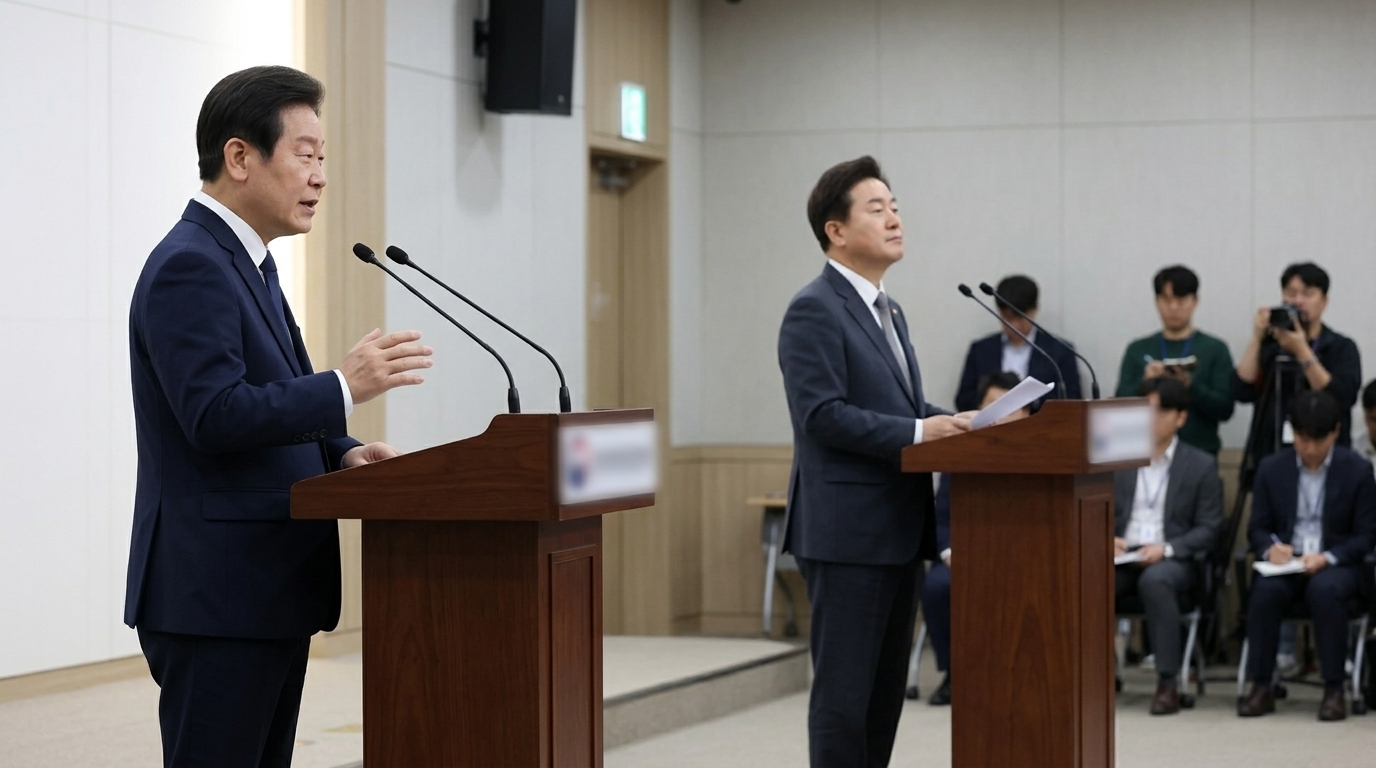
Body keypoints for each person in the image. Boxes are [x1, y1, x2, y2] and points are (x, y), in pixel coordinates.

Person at [125, 66, 434, 766]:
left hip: (259, 591)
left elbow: (273, 400)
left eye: (323, 157)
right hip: (218, 596)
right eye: (305, 154)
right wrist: (342, 385)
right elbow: (214, 414)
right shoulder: (191, 265)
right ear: (240, 157)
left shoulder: (249, 264)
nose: (320, 176)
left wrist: (342, 452)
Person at [778, 156, 971, 767]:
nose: (895, 218)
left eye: (896, 206)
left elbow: (903, 407)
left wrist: (970, 425)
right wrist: (922, 429)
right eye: (877, 208)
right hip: (847, 534)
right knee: (844, 698)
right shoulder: (814, 309)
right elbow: (822, 415)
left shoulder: (889, 310)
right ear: (836, 231)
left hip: (895, 531)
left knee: (883, 699)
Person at [1238, 391, 1376, 721]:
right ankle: (1262, 686)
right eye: (1302, 439)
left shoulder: (1357, 470)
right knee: (1265, 592)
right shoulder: (1272, 468)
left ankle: (1333, 688)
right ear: (1292, 432)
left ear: (1336, 432)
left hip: (1335, 562)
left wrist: (1328, 556)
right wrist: (1271, 547)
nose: (1310, 449)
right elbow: (1258, 527)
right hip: (1288, 561)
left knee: (1325, 591)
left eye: (1318, 440)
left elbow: (1366, 534)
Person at [1112, 376, 1224, 715]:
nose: (1150, 418)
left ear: (1180, 417)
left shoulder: (1200, 464)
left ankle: (1167, 681)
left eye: (1160, 411)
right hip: (1122, 553)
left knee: (1156, 580)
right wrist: (1104, 538)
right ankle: (1094, 674)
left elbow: (1209, 528)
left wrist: (1168, 549)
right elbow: (1090, 508)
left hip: (1172, 558)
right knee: (1088, 576)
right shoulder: (1116, 458)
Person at [921, 371, 1030, 708]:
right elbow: (940, 517)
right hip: (965, 555)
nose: (1000, 416)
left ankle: (1024, 674)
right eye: (992, 407)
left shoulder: (1043, 455)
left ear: (1026, 413)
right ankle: (955, 673)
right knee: (937, 587)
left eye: (1009, 407)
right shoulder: (962, 454)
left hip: (1023, 556)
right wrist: (951, 551)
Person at [1234, 262, 1362, 454]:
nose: (1298, 301)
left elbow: (1342, 397)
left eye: (1307, 294)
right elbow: (1241, 390)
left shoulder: (1341, 347)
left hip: (1326, 456)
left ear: (1324, 301)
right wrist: (1257, 338)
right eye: (1291, 293)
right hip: (1270, 453)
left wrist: (1302, 351)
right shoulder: (1271, 345)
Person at [1114, 265, 1235, 455]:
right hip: (1143, 454)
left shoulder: (1215, 349)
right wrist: (1144, 383)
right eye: (1166, 299)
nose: (1173, 308)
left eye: (1181, 300)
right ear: (1156, 301)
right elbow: (1119, 405)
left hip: (1199, 454)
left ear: (1195, 301)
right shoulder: (1138, 349)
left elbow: (1225, 409)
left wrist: (1190, 386)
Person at [954, 274, 1081, 412]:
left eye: (1019, 318)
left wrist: (1029, 403)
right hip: (990, 428)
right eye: (1007, 318)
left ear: (1034, 311)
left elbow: (1072, 401)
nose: (1014, 325)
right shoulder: (981, 350)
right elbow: (963, 399)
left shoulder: (1059, 351)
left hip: (1040, 428)